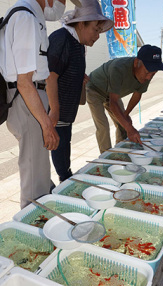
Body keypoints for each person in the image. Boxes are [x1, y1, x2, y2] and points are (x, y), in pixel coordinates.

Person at [0, 0, 67, 208]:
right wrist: (47, 125)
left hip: (30, 103)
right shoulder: (26, 18)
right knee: (34, 185)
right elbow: (24, 82)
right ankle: (32, 230)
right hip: (27, 104)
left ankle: (42, 215)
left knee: (39, 171)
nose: (61, 4)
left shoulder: (31, 15)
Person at [46, 0, 113, 182]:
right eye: (95, 30)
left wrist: (80, 81)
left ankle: (63, 182)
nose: (97, 36)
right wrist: (55, 111)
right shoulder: (62, 39)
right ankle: (60, 188)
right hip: (54, 116)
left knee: (63, 160)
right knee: (52, 165)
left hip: (65, 117)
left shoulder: (79, 45)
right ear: (82, 24)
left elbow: (68, 78)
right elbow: (50, 77)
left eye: (99, 31)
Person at [86, 45, 163, 154]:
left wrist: (126, 115)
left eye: (153, 74)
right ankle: (106, 156)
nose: (148, 78)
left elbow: (137, 95)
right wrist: (130, 128)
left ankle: (121, 149)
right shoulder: (118, 68)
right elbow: (113, 104)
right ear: (137, 62)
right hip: (95, 89)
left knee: (123, 123)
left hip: (113, 94)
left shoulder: (146, 74)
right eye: (147, 73)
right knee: (103, 126)